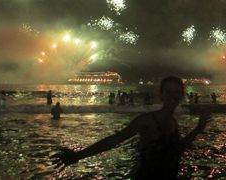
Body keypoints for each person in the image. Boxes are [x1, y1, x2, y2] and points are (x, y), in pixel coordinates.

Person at [51, 76, 210, 179]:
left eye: (177, 92)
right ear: (161, 94)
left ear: (182, 95)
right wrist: (78, 156)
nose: (173, 95)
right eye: (168, 91)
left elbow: (177, 150)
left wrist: (198, 129)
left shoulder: (173, 122)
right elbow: (114, 140)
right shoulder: (147, 121)